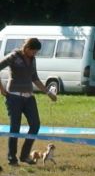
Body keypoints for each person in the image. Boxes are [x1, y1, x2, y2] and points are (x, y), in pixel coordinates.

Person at [0, 38, 58, 166]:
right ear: (26, 48)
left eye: (36, 52)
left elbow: (34, 78)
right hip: (14, 97)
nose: (34, 54)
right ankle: (12, 159)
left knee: (35, 124)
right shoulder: (14, 56)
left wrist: (48, 93)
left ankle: (25, 155)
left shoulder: (33, 60)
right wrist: (2, 89)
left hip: (29, 97)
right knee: (15, 128)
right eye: (33, 51)